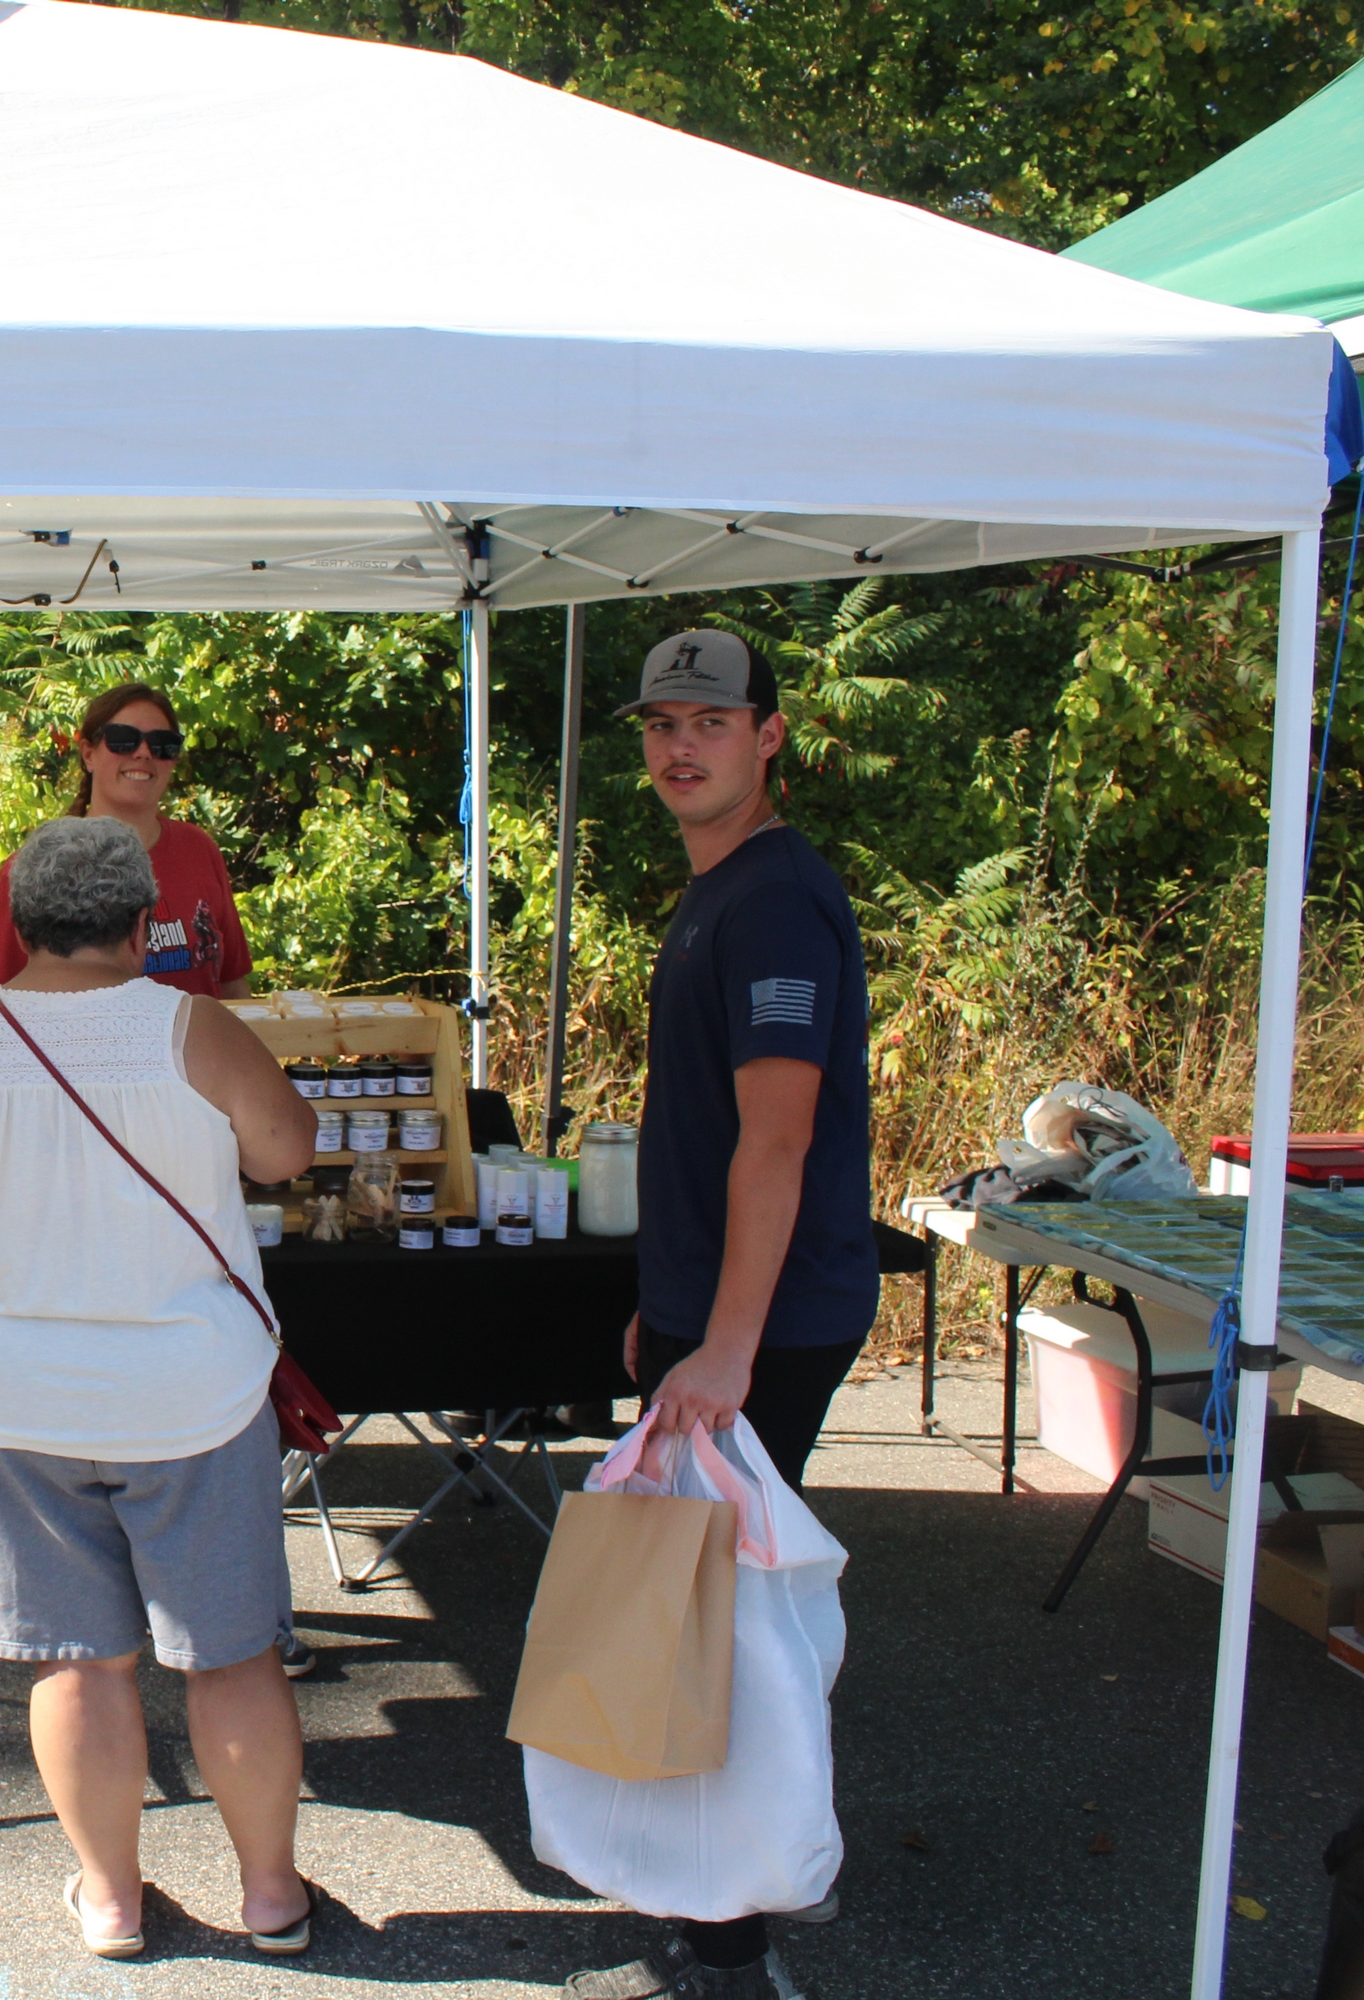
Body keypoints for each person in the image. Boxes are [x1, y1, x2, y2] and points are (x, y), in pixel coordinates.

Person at [0, 815, 318, 1961]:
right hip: (188, 1394)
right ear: (144, 924)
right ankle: (270, 1893)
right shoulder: (194, 1026)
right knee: (228, 1656)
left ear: (20, 923)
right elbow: (286, 1151)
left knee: (77, 1658)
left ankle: (112, 1897)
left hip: (13, 1399)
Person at [561, 629, 877, 2000]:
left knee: (725, 1620)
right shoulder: (718, 891)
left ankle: (734, 1926)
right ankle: (732, 1881)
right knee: (704, 1609)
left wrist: (732, 1341)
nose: (679, 747)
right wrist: (671, 1306)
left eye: (709, 721)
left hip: (776, 1321)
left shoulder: (774, 903)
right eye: (660, 724)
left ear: (770, 736)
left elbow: (777, 1141)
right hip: (717, 1312)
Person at [0, 682, 253, 1000]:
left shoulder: (198, 849)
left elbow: (233, 986)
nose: (144, 753)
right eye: (123, 739)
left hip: (196, 1048)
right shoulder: (31, 869)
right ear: (88, 754)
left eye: (163, 744)